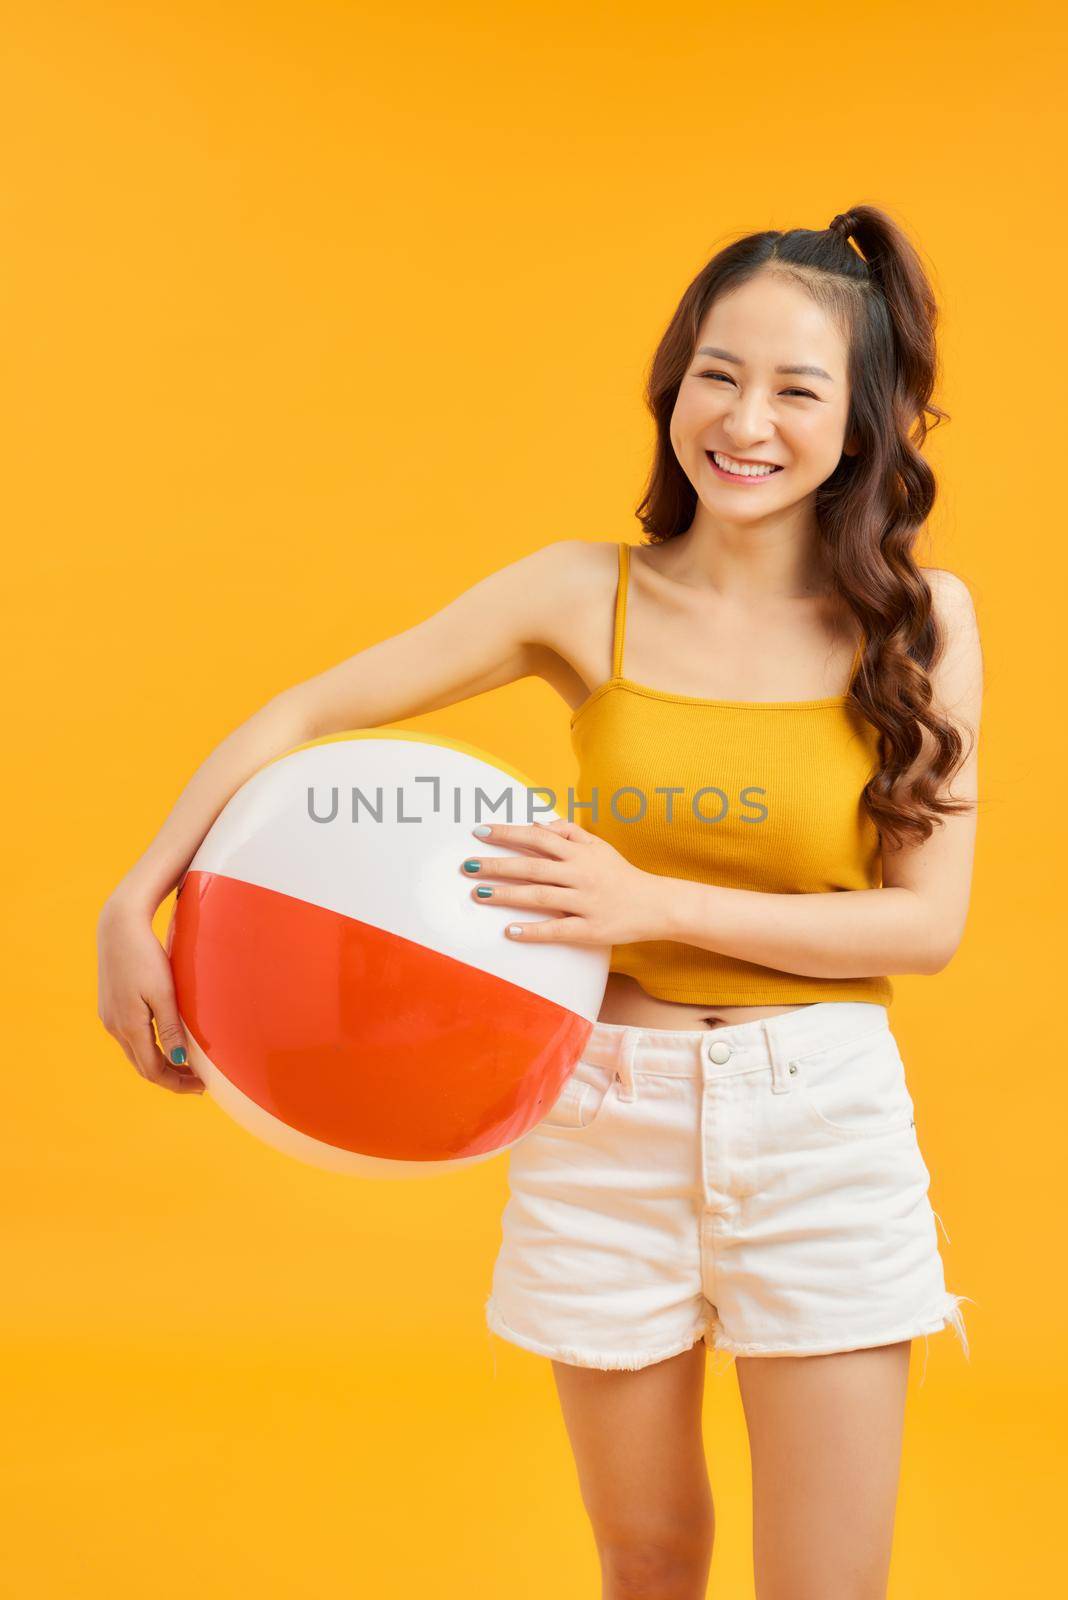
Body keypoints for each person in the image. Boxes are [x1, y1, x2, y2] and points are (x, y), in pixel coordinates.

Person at [97, 203, 982, 1599]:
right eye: (718, 373)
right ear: (673, 384)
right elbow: (306, 712)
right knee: (647, 1557)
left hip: (820, 1122)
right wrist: (133, 897)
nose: (746, 419)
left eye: (797, 390)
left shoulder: (920, 620)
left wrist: (649, 898)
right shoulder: (582, 595)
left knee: (826, 1587)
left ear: (861, 426)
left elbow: (923, 927)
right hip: (601, 1116)